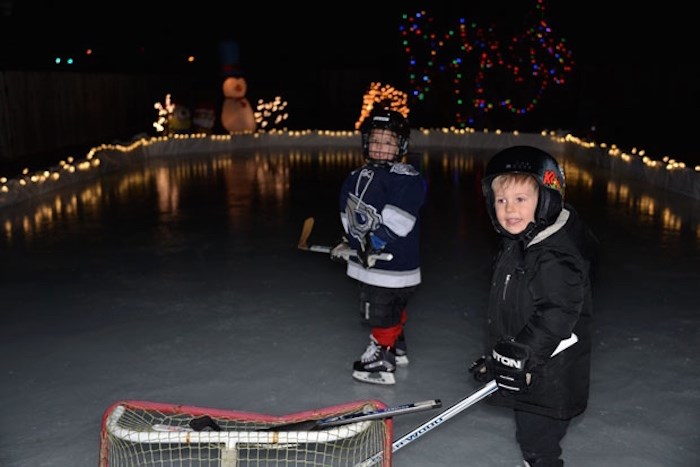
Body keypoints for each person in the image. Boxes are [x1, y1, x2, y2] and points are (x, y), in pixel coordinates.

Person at [469, 145, 597, 466]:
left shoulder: (553, 255)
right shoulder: (521, 243)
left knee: (538, 445)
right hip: (531, 369)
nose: (509, 209)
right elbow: (515, 310)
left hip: (549, 378)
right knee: (533, 441)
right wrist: (498, 357)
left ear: (547, 199)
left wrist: (521, 355)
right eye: (501, 200)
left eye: (520, 200)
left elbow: (557, 313)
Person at [334, 107, 426, 385]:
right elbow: (351, 214)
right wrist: (348, 242)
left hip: (391, 262)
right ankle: (397, 347)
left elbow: (400, 218)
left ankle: (382, 360)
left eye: (389, 142)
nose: (381, 147)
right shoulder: (357, 174)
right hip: (373, 261)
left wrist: (373, 243)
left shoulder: (405, 177)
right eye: (376, 140)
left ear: (401, 145)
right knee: (389, 305)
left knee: (381, 309)